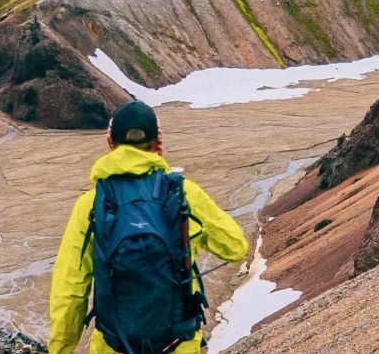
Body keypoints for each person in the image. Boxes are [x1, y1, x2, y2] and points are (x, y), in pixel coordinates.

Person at [48, 100, 248, 354]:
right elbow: (236, 247)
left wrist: (60, 349)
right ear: (157, 142)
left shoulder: (91, 205)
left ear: (110, 143)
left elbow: (69, 290)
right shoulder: (183, 193)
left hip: (114, 347)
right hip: (179, 345)